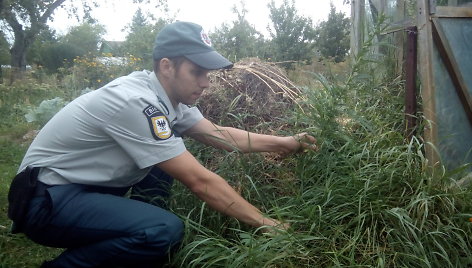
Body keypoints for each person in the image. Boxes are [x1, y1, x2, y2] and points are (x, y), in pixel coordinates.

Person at [10, 21, 317, 268]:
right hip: (46, 201)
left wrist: (285, 143)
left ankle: (136, 243)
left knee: (167, 152)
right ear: (168, 66)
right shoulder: (136, 102)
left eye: (207, 74)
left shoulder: (169, 98)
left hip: (79, 191)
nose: (206, 82)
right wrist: (268, 224)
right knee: (164, 230)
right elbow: (199, 181)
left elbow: (219, 135)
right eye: (197, 72)